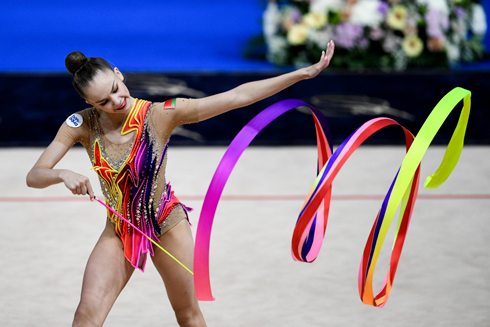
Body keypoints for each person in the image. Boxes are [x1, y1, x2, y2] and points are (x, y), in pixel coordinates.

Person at [26, 40, 335, 327]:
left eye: (117, 89)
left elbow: (236, 97)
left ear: (119, 74)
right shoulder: (80, 124)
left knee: (187, 314)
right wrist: (62, 174)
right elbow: (34, 175)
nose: (117, 101)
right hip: (120, 230)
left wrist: (303, 74)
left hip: (167, 224)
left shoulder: (159, 114)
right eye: (103, 101)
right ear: (87, 101)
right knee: (86, 315)